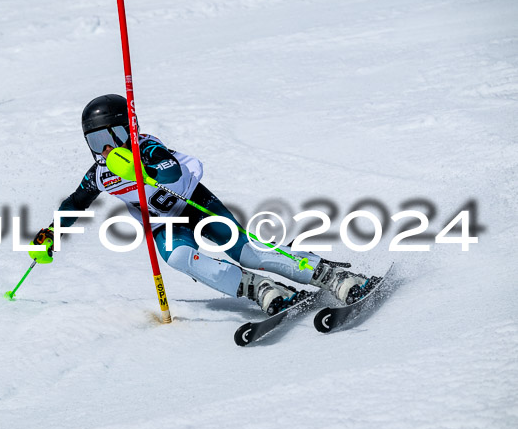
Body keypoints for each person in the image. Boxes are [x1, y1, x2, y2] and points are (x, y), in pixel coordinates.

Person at [30, 94, 374, 315]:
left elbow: (171, 170)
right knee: (179, 257)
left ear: (129, 129)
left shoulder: (147, 148)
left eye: (112, 136)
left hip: (196, 204)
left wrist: (144, 170)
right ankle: (260, 289)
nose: (106, 149)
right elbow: (75, 202)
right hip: (163, 223)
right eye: (96, 141)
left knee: (245, 251)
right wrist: (51, 233)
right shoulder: (101, 174)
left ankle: (331, 276)